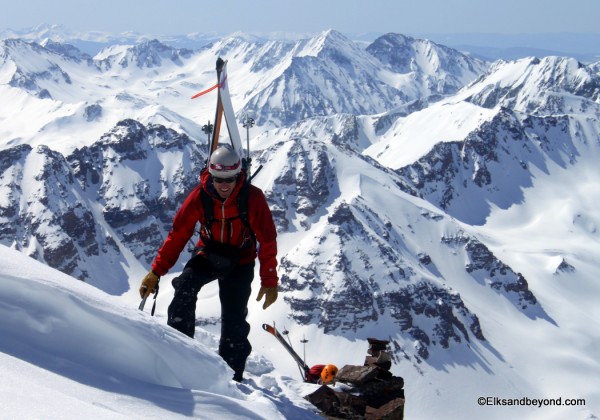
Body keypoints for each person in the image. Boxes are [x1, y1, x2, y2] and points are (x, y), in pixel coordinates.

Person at [139, 144, 279, 382]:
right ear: (210, 175)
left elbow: (267, 240)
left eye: (230, 179)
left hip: (241, 261)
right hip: (208, 253)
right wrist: (156, 271)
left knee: (234, 321)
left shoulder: (252, 198)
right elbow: (178, 234)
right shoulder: (200, 196)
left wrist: (269, 280)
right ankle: (179, 356)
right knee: (184, 287)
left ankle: (230, 380)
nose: (224, 185)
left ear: (239, 176)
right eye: (218, 179)